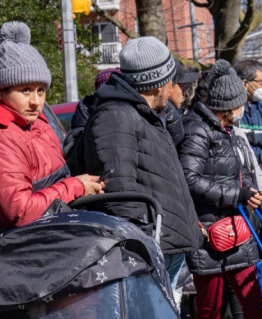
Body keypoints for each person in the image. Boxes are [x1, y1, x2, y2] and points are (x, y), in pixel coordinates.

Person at [178, 59, 262, 319]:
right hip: (208, 235)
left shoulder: (228, 130)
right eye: (241, 104)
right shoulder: (197, 129)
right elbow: (188, 179)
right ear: (227, 106)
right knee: (209, 310)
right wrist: (237, 194)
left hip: (239, 230)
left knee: (253, 300)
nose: (244, 108)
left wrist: (251, 196)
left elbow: (239, 173)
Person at [0, 21, 103, 245]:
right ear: (1, 92)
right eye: (25, 90)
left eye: (41, 90)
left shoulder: (37, 125)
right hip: (21, 256)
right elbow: (20, 213)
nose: (36, 101)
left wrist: (83, 183)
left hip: (50, 240)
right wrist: (74, 186)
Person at [82, 36, 201, 296]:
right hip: (149, 250)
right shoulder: (116, 116)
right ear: (158, 85)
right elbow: (119, 189)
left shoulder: (141, 115)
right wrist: (145, 243)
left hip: (162, 245)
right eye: (171, 83)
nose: (172, 91)